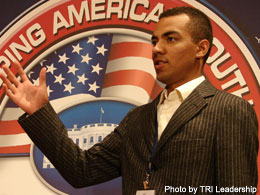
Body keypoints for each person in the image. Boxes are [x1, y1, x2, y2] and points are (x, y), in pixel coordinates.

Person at [0, 6, 258, 195]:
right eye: (154, 40)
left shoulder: (230, 110)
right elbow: (82, 171)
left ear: (201, 48)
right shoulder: (138, 118)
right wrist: (39, 111)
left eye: (170, 38)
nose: (156, 48)